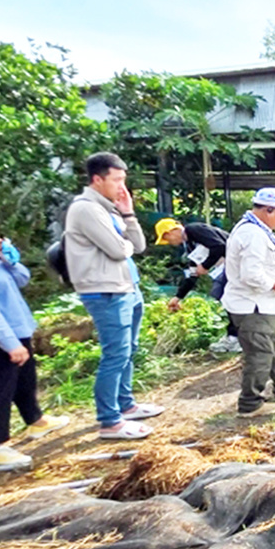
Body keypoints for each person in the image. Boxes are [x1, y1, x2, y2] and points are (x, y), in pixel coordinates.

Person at [65, 152, 163, 440]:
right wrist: (124, 244)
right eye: (117, 180)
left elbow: (138, 245)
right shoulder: (86, 209)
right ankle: (109, 421)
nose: (123, 187)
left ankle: (125, 404)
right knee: (115, 354)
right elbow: (119, 250)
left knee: (128, 349)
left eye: (124, 179)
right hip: (105, 291)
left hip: (127, 286)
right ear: (97, 180)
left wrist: (128, 213)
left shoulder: (109, 208)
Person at [0, 194, 70, 466]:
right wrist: (9, 343)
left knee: (25, 379)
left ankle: (36, 421)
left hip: (15, 328)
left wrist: (10, 261)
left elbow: (21, 280)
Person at [222, 187, 275, 417]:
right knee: (260, 354)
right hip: (252, 305)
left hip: (262, 303)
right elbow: (250, 274)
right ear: (268, 210)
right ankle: (250, 403)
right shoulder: (253, 234)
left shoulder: (257, 231)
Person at [155, 218, 239, 354]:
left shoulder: (194, 230)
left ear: (170, 232)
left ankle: (238, 337)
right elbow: (192, 274)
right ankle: (233, 336)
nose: (169, 243)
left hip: (237, 264)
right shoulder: (190, 246)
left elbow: (219, 246)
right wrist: (178, 297)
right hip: (227, 269)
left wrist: (205, 265)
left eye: (166, 238)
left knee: (226, 295)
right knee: (221, 295)